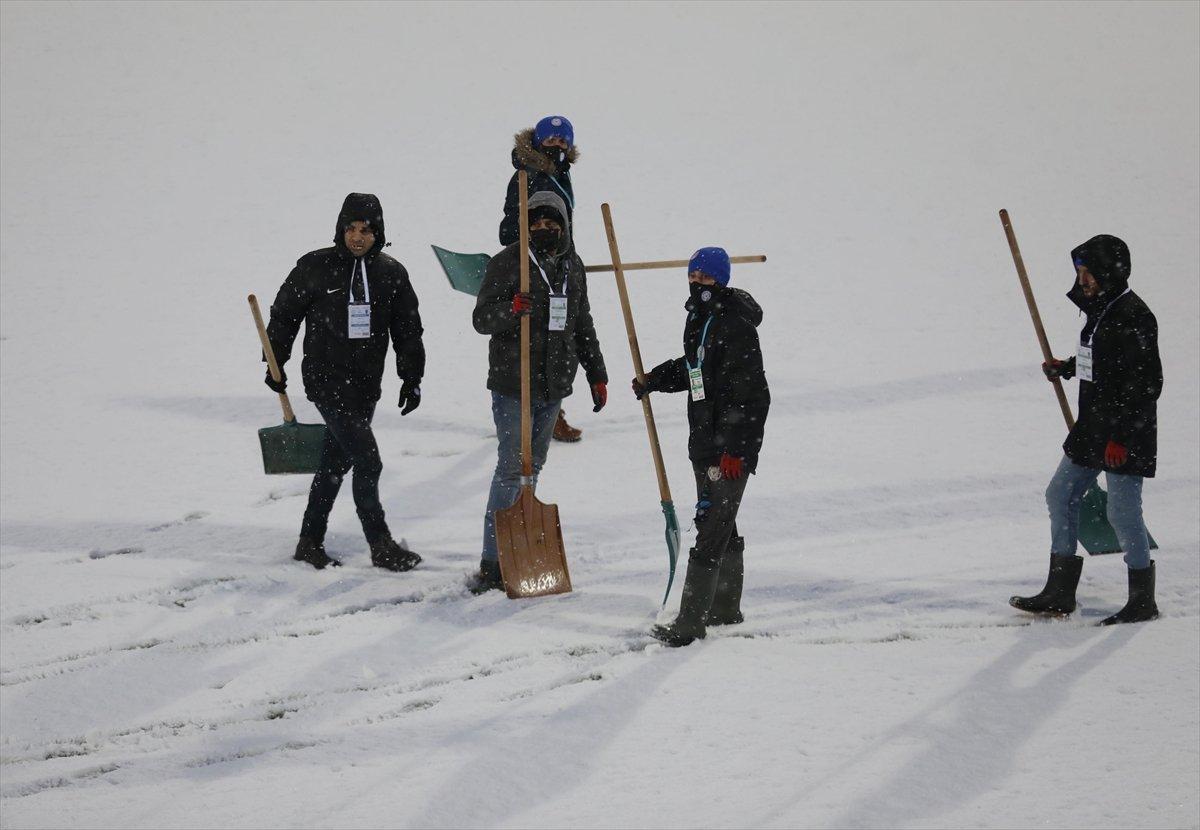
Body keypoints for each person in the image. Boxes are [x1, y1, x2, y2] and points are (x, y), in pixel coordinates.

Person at [265, 193, 425, 572]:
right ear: (340, 229)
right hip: (325, 379)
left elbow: (408, 330)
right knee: (368, 462)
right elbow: (285, 313)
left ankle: (309, 540)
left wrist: (411, 376)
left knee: (334, 464)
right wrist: (275, 360)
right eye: (350, 228)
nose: (357, 236)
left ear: (378, 232)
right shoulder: (315, 266)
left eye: (366, 230)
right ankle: (380, 544)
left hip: (367, 383)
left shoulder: (391, 273)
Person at [1010, 234, 1163, 625]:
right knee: (1060, 494)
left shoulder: (1134, 316)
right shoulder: (1100, 310)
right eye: (1079, 271)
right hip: (1093, 426)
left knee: (1122, 512)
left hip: (1125, 433)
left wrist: (1122, 439)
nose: (1083, 279)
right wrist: (1067, 367)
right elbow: (1102, 362)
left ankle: (1142, 600)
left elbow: (1146, 383)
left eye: (1088, 271)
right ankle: (1059, 592)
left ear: (1110, 272)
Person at [471, 190, 608, 591]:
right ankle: (493, 559)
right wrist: (511, 309)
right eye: (536, 224)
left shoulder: (572, 265)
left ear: (564, 226)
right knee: (512, 467)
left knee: (534, 467)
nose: (544, 230)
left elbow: (582, 322)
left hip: (554, 385)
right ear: (525, 225)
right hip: (514, 383)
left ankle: (523, 543)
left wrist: (596, 372)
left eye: (552, 224)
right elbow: (481, 319)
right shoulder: (507, 262)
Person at [633, 247, 770, 646]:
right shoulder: (699, 319)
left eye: (705, 278)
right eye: (692, 277)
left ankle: (690, 623)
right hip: (705, 442)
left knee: (711, 527)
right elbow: (694, 368)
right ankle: (725, 607)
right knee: (721, 522)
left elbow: (750, 395)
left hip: (728, 449)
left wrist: (736, 450)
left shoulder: (736, 326)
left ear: (721, 281)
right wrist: (653, 380)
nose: (697, 284)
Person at [500, 115, 585, 443]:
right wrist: (530, 247)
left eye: (562, 141)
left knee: (561, 338)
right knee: (539, 341)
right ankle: (540, 415)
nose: (556, 145)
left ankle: (549, 411)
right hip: (535, 269)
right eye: (550, 140)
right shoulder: (527, 176)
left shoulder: (560, 175)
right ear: (537, 142)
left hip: (561, 266)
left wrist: (567, 258)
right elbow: (507, 230)